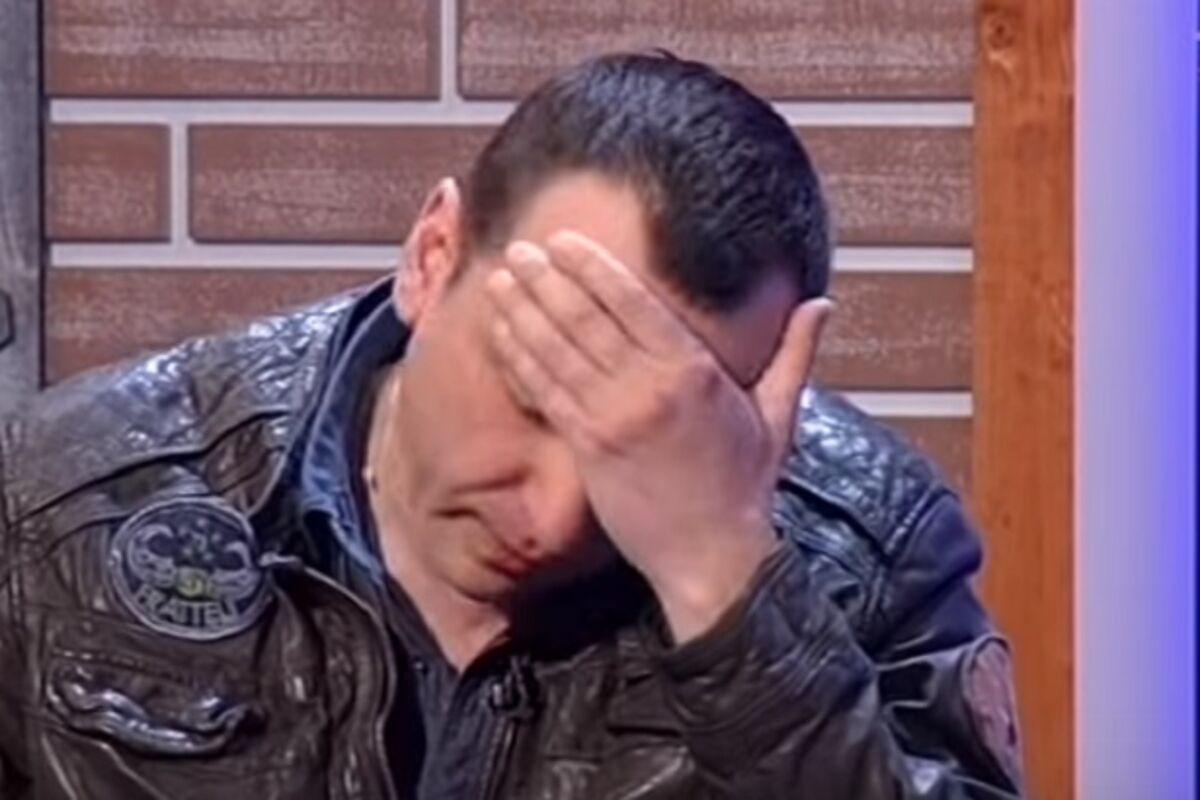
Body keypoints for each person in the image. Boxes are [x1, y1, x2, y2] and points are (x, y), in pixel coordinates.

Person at [0, 53, 1024, 799]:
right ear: (433, 256)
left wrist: (725, 580)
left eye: (649, 441)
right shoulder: (57, 505)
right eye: (536, 388)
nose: (556, 515)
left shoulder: (871, 560)